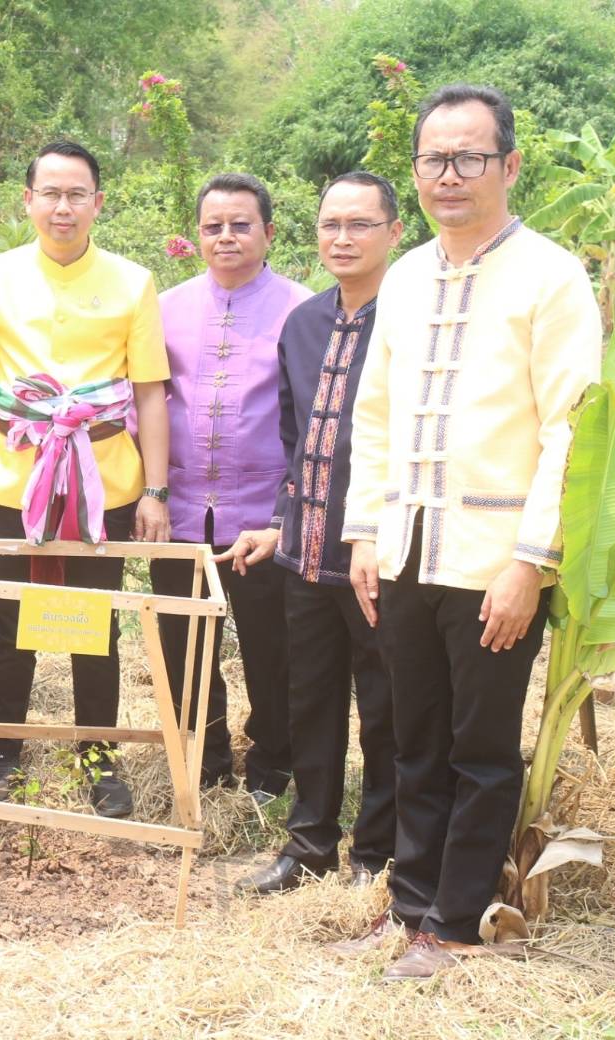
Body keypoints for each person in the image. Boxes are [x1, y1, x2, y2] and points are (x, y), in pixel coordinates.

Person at [335, 85, 600, 979]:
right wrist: (365, 531)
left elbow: (572, 428)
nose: (449, 175)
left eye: (468, 158)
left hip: (497, 562)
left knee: (480, 751)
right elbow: (373, 415)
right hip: (407, 549)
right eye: (433, 160)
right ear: (416, 173)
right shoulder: (406, 274)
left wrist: (535, 561)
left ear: (509, 165)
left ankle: (454, 922)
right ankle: (410, 901)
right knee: (413, 738)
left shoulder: (551, 275)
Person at [0, 140, 172, 819]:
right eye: (51, 193)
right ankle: (5, 751)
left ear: (98, 202)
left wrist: (155, 492)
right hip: (16, 478)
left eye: (77, 195)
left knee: (94, 621)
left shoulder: (133, 281)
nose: (63, 207)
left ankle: (98, 755)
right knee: (13, 616)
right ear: (28, 201)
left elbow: (150, 393)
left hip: (108, 481)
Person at [225, 171, 402, 895]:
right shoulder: (302, 323)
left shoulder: (409, 323)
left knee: (385, 710)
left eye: (361, 225)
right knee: (311, 703)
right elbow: (299, 444)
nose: (343, 238)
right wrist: (278, 526)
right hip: (303, 553)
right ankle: (309, 846)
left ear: (395, 233)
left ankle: (377, 854)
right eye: (331, 224)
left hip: (379, 557)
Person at [149, 173, 310, 800]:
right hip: (179, 510)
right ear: (197, 235)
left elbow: (313, 420)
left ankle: (272, 762)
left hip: (266, 516)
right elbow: (148, 402)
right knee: (184, 644)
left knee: (273, 649)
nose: (226, 237)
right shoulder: (165, 308)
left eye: (241, 224)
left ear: (269, 232)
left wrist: (287, 513)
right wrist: (151, 491)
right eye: (213, 226)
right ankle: (204, 763)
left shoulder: (304, 309)